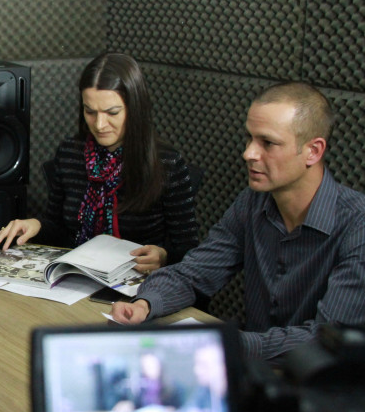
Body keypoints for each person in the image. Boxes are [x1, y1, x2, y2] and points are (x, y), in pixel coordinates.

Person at [111, 82, 365, 361]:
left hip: (321, 388)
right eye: (250, 139)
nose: (248, 154)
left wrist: (224, 344)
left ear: (313, 151)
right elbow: (195, 272)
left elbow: (325, 338)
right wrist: (146, 304)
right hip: (254, 372)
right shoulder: (252, 203)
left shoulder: (357, 225)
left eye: (267, 143)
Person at [0, 52, 198, 274]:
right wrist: (35, 225)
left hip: (137, 285)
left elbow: (189, 249)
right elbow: (59, 227)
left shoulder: (167, 163)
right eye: (90, 111)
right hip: (75, 275)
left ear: (135, 109)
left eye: (112, 112)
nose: (99, 124)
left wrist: (164, 256)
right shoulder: (70, 152)